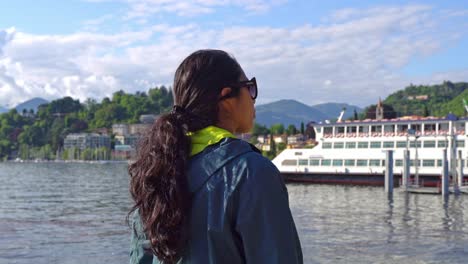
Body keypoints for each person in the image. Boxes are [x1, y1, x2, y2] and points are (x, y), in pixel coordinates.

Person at [128, 49, 303, 264]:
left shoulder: (156, 173)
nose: (254, 99)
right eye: (250, 88)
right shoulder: (250, 172)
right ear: (226, 97)